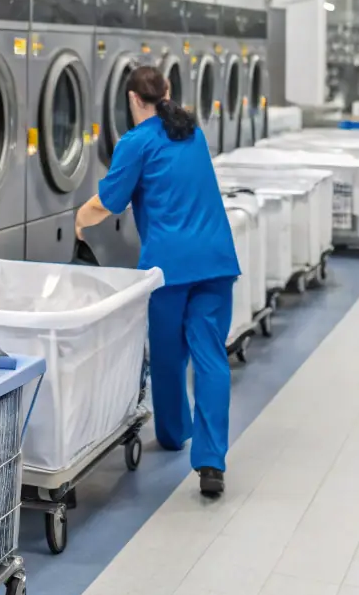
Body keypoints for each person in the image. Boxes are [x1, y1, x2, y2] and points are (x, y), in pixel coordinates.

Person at [75, 64, 239, 499]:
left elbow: (107, 202)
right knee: (210, 358)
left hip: (169, 269)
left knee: (168, 356)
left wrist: (78, 220)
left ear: (132, 99)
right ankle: (211, 463)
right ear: (167, 91)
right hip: (217, 262)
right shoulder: (194, 133)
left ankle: (172, 433)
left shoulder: (135, 142)